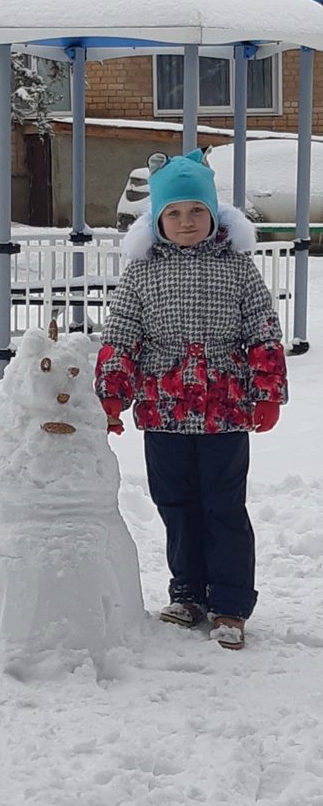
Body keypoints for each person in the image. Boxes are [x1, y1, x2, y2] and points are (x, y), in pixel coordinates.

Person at [95, 149, 288, 650]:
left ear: (214, 214)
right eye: (174, 213)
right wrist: (111, 397)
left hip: (225, 412)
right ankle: (187, 592)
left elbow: (263, 332)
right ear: (157, 219)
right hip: (164, 411)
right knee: (176, 504)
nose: (185, 222)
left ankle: (228, 602)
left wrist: (267, 392)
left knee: (223, 505)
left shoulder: (238, 269)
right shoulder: (142, 274)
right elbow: (122, 338)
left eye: (196, 211)